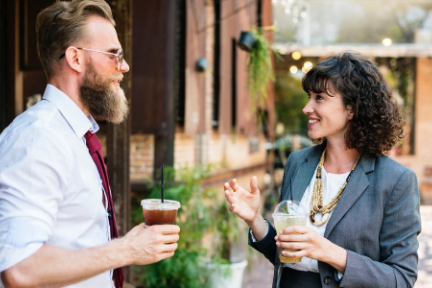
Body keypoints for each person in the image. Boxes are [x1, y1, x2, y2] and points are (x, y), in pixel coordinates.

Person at [0, 1, 180, 287]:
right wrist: (128, 249)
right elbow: (19, 268)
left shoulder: (75, 136)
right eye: (113, 54)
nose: (125, 66)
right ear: (75, 59)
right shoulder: (39, 137)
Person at [224, 52, 421, 288]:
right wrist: (254, 219)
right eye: (309, 97)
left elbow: (401, 278)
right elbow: (284, 256)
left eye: (319, 98)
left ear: (352, 108)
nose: (307, 107)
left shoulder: (396, 180)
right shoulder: (298, 162)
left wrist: (329, 252)